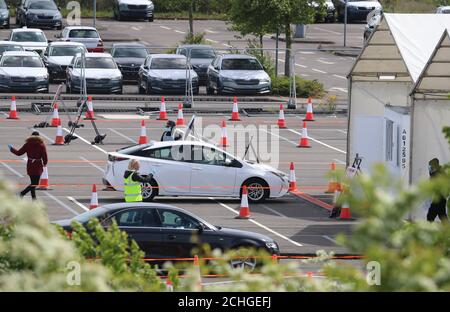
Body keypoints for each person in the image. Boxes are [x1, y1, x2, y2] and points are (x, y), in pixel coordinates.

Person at [8, 131, 48, 200]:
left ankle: (33, 198)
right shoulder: (42, 145)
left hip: (30, 165)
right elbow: (45, 156)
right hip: (38, 165)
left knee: (33, 182)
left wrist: (11, 149)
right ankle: (22, 193)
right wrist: (45, 163)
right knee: (35, 183)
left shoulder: (28, 144)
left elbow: (19, 153)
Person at [427, 158, 448, 222]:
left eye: (431, 166)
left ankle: (428, 229)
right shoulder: (438, 172)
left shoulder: (439, 173)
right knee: (442, 215)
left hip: (439, 197)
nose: (430, 168)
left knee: (430, 215)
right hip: (442, 198)